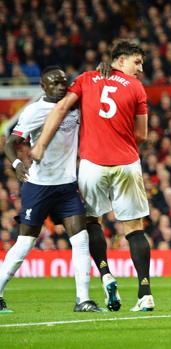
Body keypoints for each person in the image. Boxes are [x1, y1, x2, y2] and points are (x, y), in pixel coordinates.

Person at [31, 41, 154, 312]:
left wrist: (39, 146)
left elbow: (61, 108)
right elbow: (143, 135)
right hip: (127, 164)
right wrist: (121, 142)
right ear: (120, 61)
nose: (141, 69)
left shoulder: (86, 79)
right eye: (137, 62)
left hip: (92, 165)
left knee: (91, 221)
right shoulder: (136, 88)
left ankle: (106, 273)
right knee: (134, 229)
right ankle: (145, 293)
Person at [0, 66, 100, 313]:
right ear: (43, 87)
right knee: (25, 244)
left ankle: (83, 300)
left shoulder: (74, 104)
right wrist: (16, 163)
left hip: (66, 186)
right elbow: (11, 142)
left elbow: (96, 84)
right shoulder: (35, 111)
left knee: (81, 239)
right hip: (39, 187)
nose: (60, 86)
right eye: (54, 83)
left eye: (63, 82)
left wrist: (104, 69)